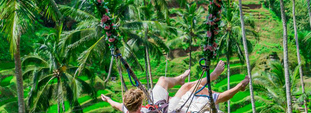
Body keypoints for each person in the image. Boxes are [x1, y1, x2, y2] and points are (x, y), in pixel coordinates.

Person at [101, 60, 250, 113]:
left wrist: (107, 100)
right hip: (168, 111)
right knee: (191, 89)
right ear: (140, 105)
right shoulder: (138, 110)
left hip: (159, 107)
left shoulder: (128, 109)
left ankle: (179, 79)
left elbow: (117, 105)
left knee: (162, 80)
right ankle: (235, 86)